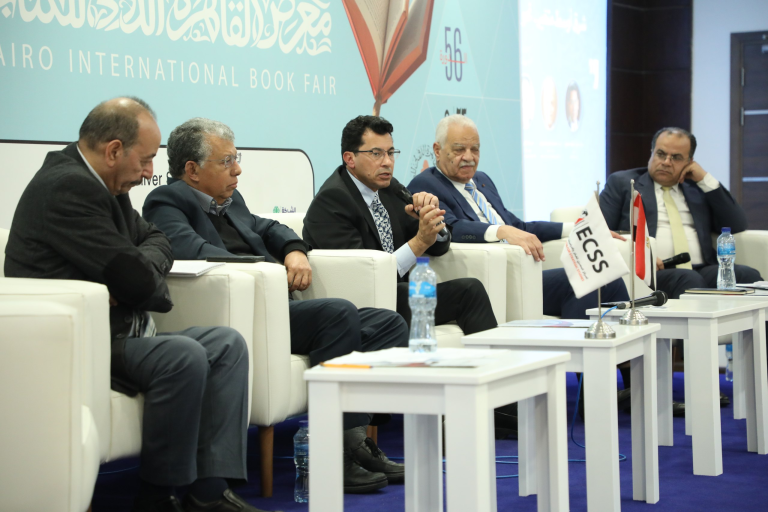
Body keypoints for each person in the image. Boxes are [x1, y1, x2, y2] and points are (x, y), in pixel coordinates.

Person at [4, 98, 269, 512]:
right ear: (114, 151)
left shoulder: (107, 184)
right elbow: (139, 282)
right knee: (183, 355)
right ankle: (158, 498)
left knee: (227, 344)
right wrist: (133, 278)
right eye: (145, 160)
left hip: (116, 329)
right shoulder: (67, 187)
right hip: (74, 345)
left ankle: (209, 493)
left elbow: (156, 240)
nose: (149, 172)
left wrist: (133, 273)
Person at [142, 118, 408, 494]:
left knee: (388, 323)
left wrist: (294, 250)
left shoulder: (230, 201)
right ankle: (337, 456)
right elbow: (195, 250)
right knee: (337, 314)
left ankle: (354, 439)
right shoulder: (167, 202)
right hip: (249, 312)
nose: (237, 170)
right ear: (192, 170)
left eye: (236, 159)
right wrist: (269, 271)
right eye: (227, 161)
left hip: (278, 306)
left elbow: (269, 227)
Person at [302, 115, 517, 437]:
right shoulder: (332, 201)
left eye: (391, 153)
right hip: (365, 306)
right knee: (420, 293)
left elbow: (439, 246)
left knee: (469, 290)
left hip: (399, 295)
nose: (387, 162)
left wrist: (432, 222)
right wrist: (418, 241)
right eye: (376, 154)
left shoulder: (391, 190)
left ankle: (499, 401)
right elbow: (365, 275)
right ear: (350, 158)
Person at [600, 127, 763, 409]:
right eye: (661, 154)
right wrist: (641, 250)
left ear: (689, 163)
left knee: (749, 276)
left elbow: (737, 223)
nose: (666, 162)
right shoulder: (624, 182)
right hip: (649, 273)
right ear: (651, 153)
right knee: (689, 280)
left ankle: (759, 379)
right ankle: (701, 386)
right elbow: (602, 231)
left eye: (676, 158)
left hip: (702, 267)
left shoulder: (695, 189)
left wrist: (705, 179)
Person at [407, 114, 630, 320]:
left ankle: (626, 349)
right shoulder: (426, 184)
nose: (469, 157)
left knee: (609, 276)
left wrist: (578, 227)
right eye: (459, 150)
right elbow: (451, 227)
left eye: (475, 149)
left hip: (523, 270)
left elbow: (519, 226)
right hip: (490, 276)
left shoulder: (482, 180)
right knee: (586, 279)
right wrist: (501, 231)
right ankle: (575, 350)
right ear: (437, 150)